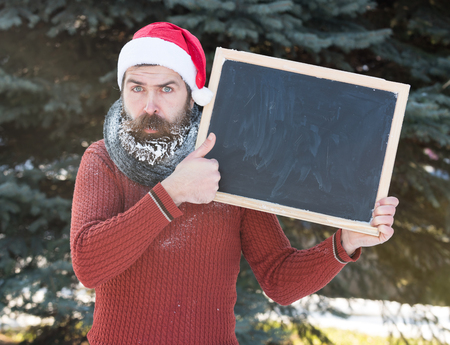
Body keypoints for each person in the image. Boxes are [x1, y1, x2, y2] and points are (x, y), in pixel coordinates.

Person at [70, 22, 399, 345]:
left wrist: (345, 243)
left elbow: (279, 281)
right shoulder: (103, 160)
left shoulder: (228, 164)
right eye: (137, 87)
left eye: (166, 89)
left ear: (191, 95)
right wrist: (173, 193)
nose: (149, 105)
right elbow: (88, 265)